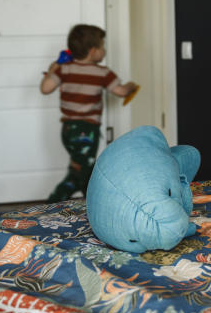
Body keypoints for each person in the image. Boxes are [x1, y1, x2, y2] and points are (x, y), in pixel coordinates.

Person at [40, 23, 138, 201]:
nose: (104, 50)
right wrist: (131, 86)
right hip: (87, 131)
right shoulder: (102, 73)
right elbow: (121, 91)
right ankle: (51, 205)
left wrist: (54, 68)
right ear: (93, 51)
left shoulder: (64, 69)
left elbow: (46, 88)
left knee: (85, 168)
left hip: (68, 131)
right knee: (77, 174)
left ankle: (92, 203)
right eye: (102, 46)